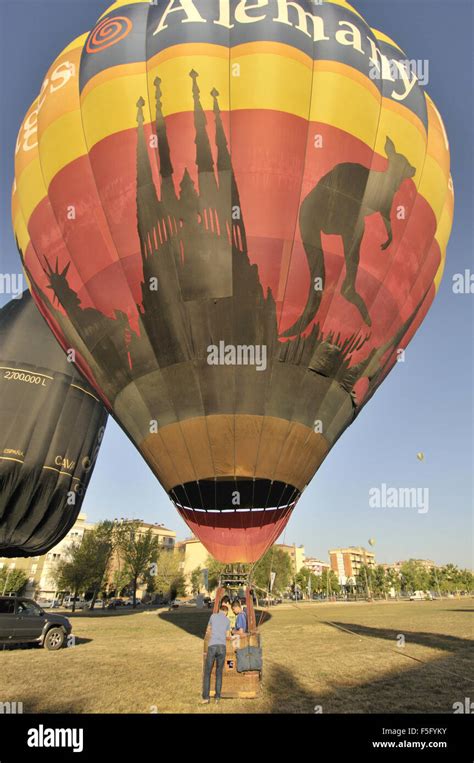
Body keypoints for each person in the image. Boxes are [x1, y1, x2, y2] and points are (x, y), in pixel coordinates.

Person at [202, 603, 230, 704]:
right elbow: (227, 635)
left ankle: (206, 697)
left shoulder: (213, 616)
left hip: (212, 646)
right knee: (219, 673)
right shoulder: (227, 620)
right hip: (222, 647)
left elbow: (208, 630)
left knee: (207, 673)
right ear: (226, 612)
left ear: (219, 610)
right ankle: (217, 697)